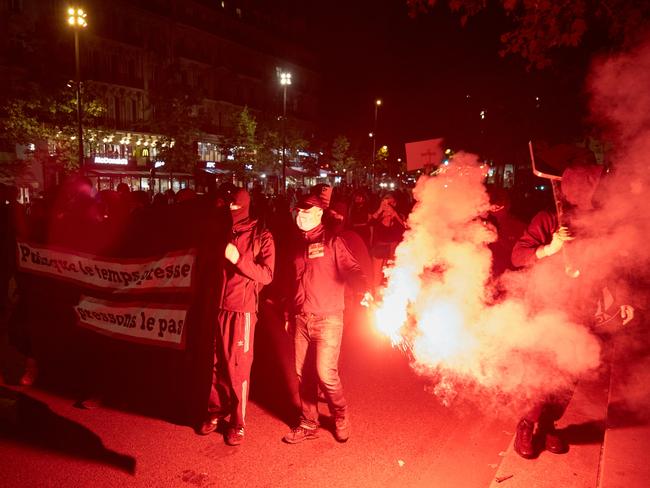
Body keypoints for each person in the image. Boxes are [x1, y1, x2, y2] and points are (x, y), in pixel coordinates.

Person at [510, 162, 634, 459]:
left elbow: (608, 265)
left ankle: (550, 424)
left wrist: (622, 298)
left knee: (569, 373)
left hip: (583, 308)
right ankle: (527, 424)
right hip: (549, 308)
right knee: (544, 372)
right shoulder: (549, 219)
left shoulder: (599, 223)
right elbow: (518, 256)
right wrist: (549, 249)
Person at [283, 193, 370, 444]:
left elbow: (353, 269)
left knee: (325, 373)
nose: (301, 217)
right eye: (298, 213)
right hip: (301, 318)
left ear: (320, 214)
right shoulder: (296, 243)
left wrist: (363, 289)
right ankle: (309, 422)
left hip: (329, 318)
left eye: (307, 213)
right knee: (302, 374)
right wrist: (289, 311)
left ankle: (340, 414)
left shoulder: (333, 241)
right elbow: (294, 281)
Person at [197, 188, 275, 446]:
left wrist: (238, 258)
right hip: (218, 308)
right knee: (216, 364)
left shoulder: (262, 236)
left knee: (238, 368)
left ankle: (237, 423)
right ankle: (215, 411)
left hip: (242, 311)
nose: (231, 211)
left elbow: (267, 274)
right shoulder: (221, 231)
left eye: (235, 206)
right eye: (228, 206)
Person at [369, 193, 406, 290]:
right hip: (379, 248)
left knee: (391, 274)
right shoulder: (379, 215)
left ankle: (390, 294)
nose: (389, 205)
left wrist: (395, 215)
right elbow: (370, 223)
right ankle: (375, 295)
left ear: (395, 203)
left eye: (391, 202)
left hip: (393, 249)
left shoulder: (399, 216)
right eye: (386, 202)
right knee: (377, 275)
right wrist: (380, 209)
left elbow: (405, 228)